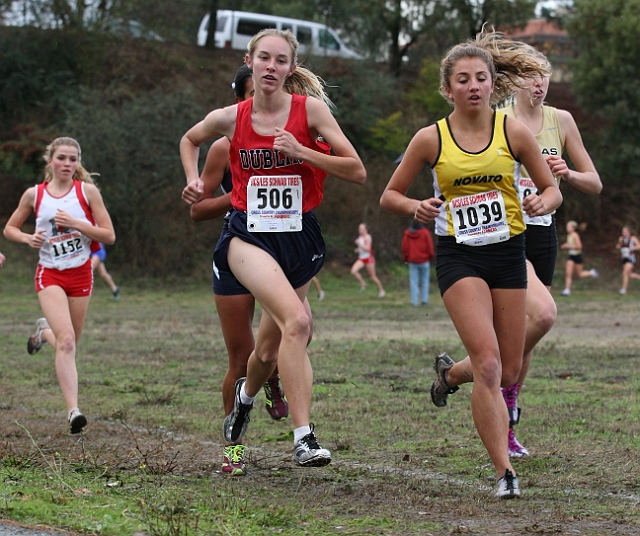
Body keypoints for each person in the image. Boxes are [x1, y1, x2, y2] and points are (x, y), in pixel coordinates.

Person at [380, 30, 562, 498]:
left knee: (508, 368)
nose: (474, 86)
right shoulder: (430, 138)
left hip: (507, 253)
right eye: (463, 79)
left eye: (481, 78)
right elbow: (390, 195)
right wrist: (415, 207)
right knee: (488, 365)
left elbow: (551, 189)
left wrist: (543, 202)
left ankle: (448, 374)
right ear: (449, 89)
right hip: (459, 257)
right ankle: (505, 472)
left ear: (493, 84)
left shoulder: (513, 131)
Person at [180, 28, 366, 467]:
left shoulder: (311, 111)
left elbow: (356, 170)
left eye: (281, 60)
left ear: (291, 68)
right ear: (250, 60)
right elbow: (191, 138)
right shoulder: (231, 119)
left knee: (266, 352)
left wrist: (302, 151)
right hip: (248, 237)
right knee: (298, 324)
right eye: (264, 58)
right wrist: (191, 179)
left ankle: (245, 401)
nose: (271, 67)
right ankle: (303, 437)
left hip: (299, 239)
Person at [448, 49, 602, 458]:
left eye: (545, 76)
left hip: (543, 234)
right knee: (543, 314)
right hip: (504, 234)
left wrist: (566, 173)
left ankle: (500, 403)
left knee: (524, 341)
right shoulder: (498, 118)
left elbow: (595, 182)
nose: (539, 83)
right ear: (512, 82)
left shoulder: (561, 120)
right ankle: (480, 375)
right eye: (531, 76)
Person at [183, 65, 306, 475]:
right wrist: (241, 196)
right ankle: (232, 452)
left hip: (283, 247)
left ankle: (268, 374)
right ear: (240, 99)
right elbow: (198, 211)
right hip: (238, 250)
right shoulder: (223, 145)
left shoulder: (295, 131)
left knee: (290, 333)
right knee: (239, 357)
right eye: (252, 93)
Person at [3, 137, 116, 434]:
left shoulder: (87, 192)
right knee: (66, 342)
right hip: (49, 274)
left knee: (69, 343)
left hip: (80, 274)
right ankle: (73, 412)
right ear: (50, 161)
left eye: (73, 159)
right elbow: (10, 229)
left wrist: (78, 224)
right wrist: (28, 238)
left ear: (78, 163)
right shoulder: (34, 195)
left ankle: (42, 332)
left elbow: (108, 235)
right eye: (62, 158)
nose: (67, 164)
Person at [560, 220, 598, 296]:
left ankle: (591, 272)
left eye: (569, 226)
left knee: (579, 274)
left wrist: (568, 246)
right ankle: (567, 290)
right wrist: (566, 245)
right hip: (571, 256)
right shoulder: (569, 235)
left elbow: (579, 246)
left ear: (573, 228)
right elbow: (571, 244)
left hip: (577, 256)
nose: (567, 228)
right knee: (568, 273)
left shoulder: (575, 235)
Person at [401, 221, 435, 306]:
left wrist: (406, 258)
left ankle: (414, 302)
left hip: (413, 261)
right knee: (425, 281)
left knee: (413, 281)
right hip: (424, 260)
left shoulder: (407, 233)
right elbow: (430, 246)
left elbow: (405, 247)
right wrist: (431, 256)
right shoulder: (425, 232)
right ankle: (424, 301)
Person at [350, 223, 385, 298]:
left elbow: (368, 249)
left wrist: (359, 244)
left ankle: (381, 290)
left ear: (366, 230)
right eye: (359, 228)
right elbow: (363, 248)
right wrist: (358, 250)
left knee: (372, 276)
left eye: (362, 229)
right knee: (353, 271)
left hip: (369, 258)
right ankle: (363, 283)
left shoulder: (368, 237)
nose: (360, 230)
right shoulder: (360, 237)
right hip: (361, 258)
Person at [616, 226, 640, 295]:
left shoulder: (632, 238)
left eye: (625, 231)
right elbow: (619, 245)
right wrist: (618, 246)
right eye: (623, 231)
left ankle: (623, 289)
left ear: (629, 232)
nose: (624, 233)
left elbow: (639, 245)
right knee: (628, 275)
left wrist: (632, 248)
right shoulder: (621, 238)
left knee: (625, 273)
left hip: (630, 258)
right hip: (624, 258)